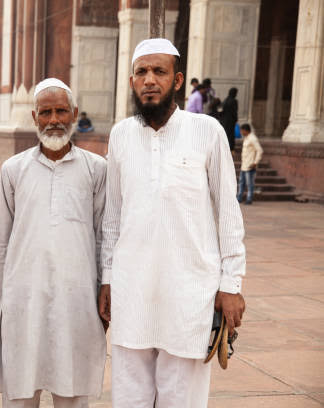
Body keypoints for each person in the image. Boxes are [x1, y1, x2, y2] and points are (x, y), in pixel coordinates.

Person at [99, 38, 246, 408]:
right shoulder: (120, 135)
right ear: (132, 81)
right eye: (141, 72)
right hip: (132, 294)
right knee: (129, 400)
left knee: (182, 400)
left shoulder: (207, 131)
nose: (150, 79)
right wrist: (107, 277)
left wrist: (231, 284)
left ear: (177, 80)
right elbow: (112, 218)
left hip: (189, 296)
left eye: (159, 71)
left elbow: (228, 212)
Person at [0, 78, 107, 407]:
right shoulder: (13, 169)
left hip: (77, 298)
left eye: (61, 112)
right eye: (45, 113)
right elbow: (3, 239)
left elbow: (103, 235)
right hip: (24, 297)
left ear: (75, 114)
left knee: (72, 389)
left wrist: (104, 287)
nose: (54, 120)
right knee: (21, 389)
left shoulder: (96, 169)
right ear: (34, 117)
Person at [237, 123, 263, 205]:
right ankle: (239, 198)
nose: (241, 132)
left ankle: (249, 199)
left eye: (242, 130)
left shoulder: (253, 139)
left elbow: (260, 150)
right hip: (244, 165)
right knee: (241, 183)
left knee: (249, 184)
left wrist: (255, 162)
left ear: (246, 130)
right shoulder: (246, 138)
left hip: (250, 165)